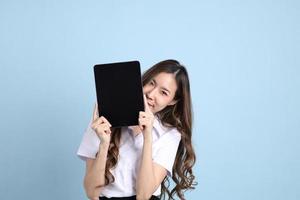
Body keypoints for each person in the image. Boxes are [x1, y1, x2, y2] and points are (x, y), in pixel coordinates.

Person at [77, 59, 197, 200]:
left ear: (173, 101)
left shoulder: (170, 134)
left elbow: (143, 196)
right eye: (151, 83)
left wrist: (148, 137)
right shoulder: (102, 121)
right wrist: (104, 144)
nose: (151, 95)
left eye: (163, 92)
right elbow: (91, 193)